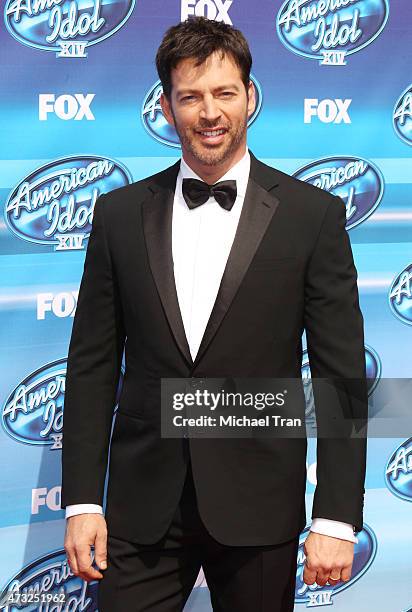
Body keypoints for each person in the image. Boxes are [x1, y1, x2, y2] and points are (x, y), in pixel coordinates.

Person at [61, 17, 368, 612]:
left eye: (224, 93)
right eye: (191, 96)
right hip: (140, 511)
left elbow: (341, 377)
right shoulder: (119, 215)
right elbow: (93, 365)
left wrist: (337, 514)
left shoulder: (313, 217)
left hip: (259, 506)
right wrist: (81, 503)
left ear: (249, 98)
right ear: (167, 108)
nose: (209, 112)